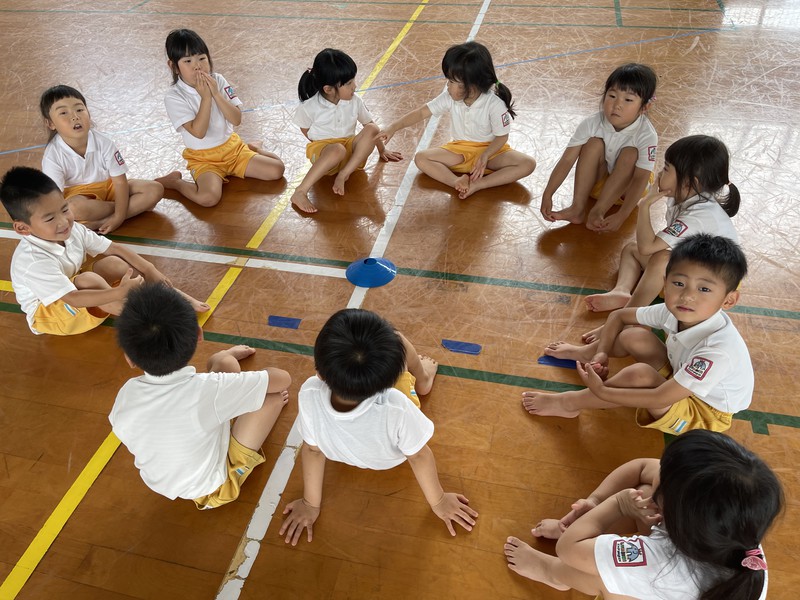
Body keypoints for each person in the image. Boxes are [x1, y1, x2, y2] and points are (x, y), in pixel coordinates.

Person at [504, 430, 783, 600]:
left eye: (665, 476)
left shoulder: (660, 565)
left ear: (673, 508)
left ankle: (551, 574)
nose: (658, 470)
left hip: (660, 574)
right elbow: (640, 467)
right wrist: (594, 502)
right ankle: (585, 530)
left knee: (605, 577)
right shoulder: (729, 523)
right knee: (643, 494)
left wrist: (616, 504)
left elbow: (568, 549)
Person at [279, 308, 477, 544]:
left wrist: (311, 504)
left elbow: (313, 450)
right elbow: (418, 456)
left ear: (320, 373)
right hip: (389, 459)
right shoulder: (396, 405)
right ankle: (423, 380)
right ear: (391, 380)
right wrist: (439, 501)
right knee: (398, 339)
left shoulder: (309, 391)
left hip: (341, 454)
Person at [524, 234, 752, 435]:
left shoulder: (717, 352)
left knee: (640, 375)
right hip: (680, 375)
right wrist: (601, 352)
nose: (687, 296)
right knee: (633, 336)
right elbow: (619, 316)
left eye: (704, 289)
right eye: (679, 283)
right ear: (665, 284)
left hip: (705, 412)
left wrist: (602, 390)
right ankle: (586, 355)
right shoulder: (674, 311)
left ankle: (569, 403)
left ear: (729, 300)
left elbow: (660, 397)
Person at [110, 283, 291, 509]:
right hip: (214, 489)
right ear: (199, 334)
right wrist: (253, 383)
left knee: (225, 362)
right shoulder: (209, 389)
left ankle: (230, 370)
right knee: (272, 399)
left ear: (129, 358)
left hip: (165, 481)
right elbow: (283, 379)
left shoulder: (126, 393)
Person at [0, 167, 208, 336]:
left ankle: (168, 294)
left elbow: (114, 248)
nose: (64, 221)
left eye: (64, 209)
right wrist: (118, 292)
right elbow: (72, 298)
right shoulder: (33, 262)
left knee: (114, 263)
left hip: (73, 285)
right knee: (89, 280)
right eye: (50, 218)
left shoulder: (72, 230)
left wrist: (149, 269)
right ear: (22, 228)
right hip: (50, 315)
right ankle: (156, 321)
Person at [581, 135, 740, 342]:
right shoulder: (685, 198)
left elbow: (648, 247)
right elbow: (644, 247)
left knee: (661, 258)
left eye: (666, 169)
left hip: (709, 287)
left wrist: (645, 205)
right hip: (691, 275)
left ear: (690, 182)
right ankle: (622, 291)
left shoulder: (700, 215)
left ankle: (624, 320)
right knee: (631, 249)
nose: (659, 173)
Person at [378, 41, 536, 199]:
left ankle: (479, 184)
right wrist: (393, 127)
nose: (447, 85)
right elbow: (421, 113)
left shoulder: (494, 104)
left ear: (470, 85)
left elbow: (502, 137)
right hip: (459, 151)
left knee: (528, 164)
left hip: (491, 154)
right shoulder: (449, 97)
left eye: (452, 81)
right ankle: (456, 181)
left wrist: (485, 156)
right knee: (421, 158)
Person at [156, 29, 284, 207]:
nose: (197, 66)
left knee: (277, 170)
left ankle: (254, 148)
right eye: (188, 61)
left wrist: (216, 93)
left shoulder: (218, 80)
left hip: (233, 150)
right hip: (204, 159)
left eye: (202, 58)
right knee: (208, 198)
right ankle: (175, 182)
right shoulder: (174, 96)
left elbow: (236, 119)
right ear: (174, 66)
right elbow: (199, 132)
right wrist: (206, 98)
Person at [540, 63, 658, 232]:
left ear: (645, 107)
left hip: (627, 193)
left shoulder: (647, 135)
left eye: (628, 100)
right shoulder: (592, 123)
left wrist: (622, 215)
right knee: (593, 144)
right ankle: (577, 209)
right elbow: (567, 160)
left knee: (630, 153)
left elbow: (640, 178)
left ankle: (598, 211)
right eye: (612, 96)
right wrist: (548, 194)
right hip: (599, 187)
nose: (617, 105)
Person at [40, 85, 164, 234]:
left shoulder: (104, 142)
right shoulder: (52, 155)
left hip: (109, 187)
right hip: (78, 196)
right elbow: (55, 197)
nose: (75, 116)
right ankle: (130, 207)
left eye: (79, 109)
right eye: (63, 112)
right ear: (50, 123)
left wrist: (119, 217)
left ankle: (100, 221)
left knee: (155, 189)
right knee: (73, 208)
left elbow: (120, 182)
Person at [290, 48, 402, 213]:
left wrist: (382, 149)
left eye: (353, 80)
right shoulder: (309, 106)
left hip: (351, 156)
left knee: (372, 128)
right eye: (349, 83)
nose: (354, 86)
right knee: (337, 149)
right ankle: (300, 192)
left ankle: (344, 173)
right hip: (325, 153)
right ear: (328, 89)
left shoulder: (355, 101)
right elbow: (304, 128)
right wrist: (320, 146)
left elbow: (370, 126)